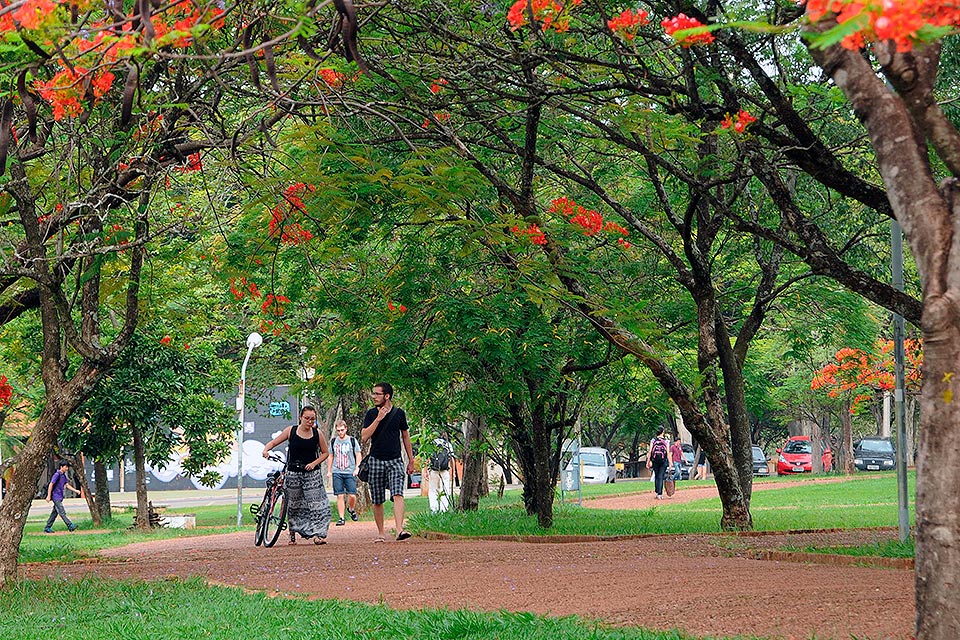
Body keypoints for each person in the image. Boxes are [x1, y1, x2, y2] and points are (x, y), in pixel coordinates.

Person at [262, 405, 332, 545]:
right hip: (293, 472)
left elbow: (325, 453)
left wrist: (314, 463)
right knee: (293, 505)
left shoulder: (317, 434)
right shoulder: (291, 431)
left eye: (312, 419)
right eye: (307, 418)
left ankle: (319, 534)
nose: (309, 421)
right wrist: (266, 449)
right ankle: (292, 532)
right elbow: (275, 442)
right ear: (300, 417)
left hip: (312, 474)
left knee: (317, 504)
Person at [361, 382, 415, 542]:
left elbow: (405, 436)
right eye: (373, 393)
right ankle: (380, 533)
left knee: (398, 493)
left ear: (387, 396)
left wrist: (411, 460)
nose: (374, 397)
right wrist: (378, 419)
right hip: (376, 459)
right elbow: (364, 437)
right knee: (377, 499)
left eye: (377, 394)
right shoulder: (371, 414)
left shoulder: (399, 413)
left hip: (395, 460)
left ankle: (399, 530)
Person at [327, 419, 362, 526]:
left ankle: (351, 509)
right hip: (337, 471)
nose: (340, 432)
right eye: (338, 431)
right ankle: (341, 518)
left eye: (342, 430)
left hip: (350, 471)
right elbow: (331, 456)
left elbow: (358, 454)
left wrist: (357, 468)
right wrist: (329, 471)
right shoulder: (333, 441)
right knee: (339, 495)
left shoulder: (352, 440)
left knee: (352, 495)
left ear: (346, 429)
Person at [45, 460, 80, 533]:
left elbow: (67, 485)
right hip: (55, 496)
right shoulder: (57, 474)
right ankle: (70, 525)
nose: (67, 468)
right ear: (61, 467)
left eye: (67, 467)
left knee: (54, 513)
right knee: (62, 512)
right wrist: (48, 495)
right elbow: (51, 484)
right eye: (66, 467)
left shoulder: (63, 475)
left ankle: (47, 527)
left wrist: (76, 491)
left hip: (60, 496)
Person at [427, 433, 454, 513]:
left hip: (434, 471)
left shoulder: (431, 444)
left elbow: (427, 458)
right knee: (445, 491)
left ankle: (433, 510)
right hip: (445, 471)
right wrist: (453, 472)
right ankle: (444, 510)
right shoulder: (447, 444)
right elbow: (452, 459)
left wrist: (426, 470)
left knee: (433, 491)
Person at [646, 427, 672, 500]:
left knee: (657, 475)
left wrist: (648, 461)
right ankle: (660, 494)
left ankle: (657, 492)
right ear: (663, 432)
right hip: (663, 461)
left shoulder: (653, 440)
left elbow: (650, 451)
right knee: (661, 476)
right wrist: (670, 463)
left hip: (655, 460)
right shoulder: (666, 441)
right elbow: (667, 452)